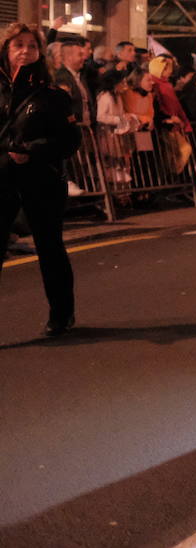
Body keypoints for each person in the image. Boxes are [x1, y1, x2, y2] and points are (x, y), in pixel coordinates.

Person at [0, 23, 82, 336]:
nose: (25, 51)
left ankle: (61, 315)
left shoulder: (52, 95)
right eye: (18, 45)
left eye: (31, 45)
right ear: (6, 49)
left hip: (42, 181)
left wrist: (33, 151)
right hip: (3, 180)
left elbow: (70, 140)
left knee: (50, 248)